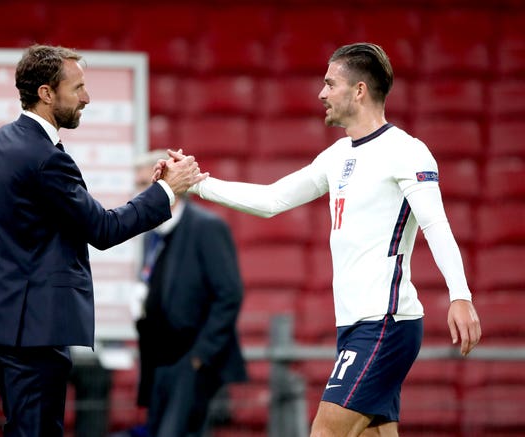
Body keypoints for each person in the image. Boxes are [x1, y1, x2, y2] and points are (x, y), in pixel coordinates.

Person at [164, 43, 482, 437]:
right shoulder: (337, 156)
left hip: (384, 322)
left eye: (330, 84)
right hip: (353, 323)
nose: (321, 93)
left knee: (325, 431)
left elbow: (435, 223)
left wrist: (460, 294)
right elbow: (272, 199)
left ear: (359, 90)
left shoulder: (407, 152)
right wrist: (197, 183)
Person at [0, 44, 205, 437]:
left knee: (24, 427)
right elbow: (104, 230)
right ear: (46, 93)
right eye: (77, 88)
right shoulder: (46, 157)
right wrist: (164, 190)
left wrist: (8, 285)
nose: (86, 98)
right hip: (37, 326)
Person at [132, 150, 248, 437]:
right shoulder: (152, 234)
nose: (137, 192)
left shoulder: (207, 227)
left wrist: (200, 356)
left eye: (145, 183)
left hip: (191, 361)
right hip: (158, 359)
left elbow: (229, 294)